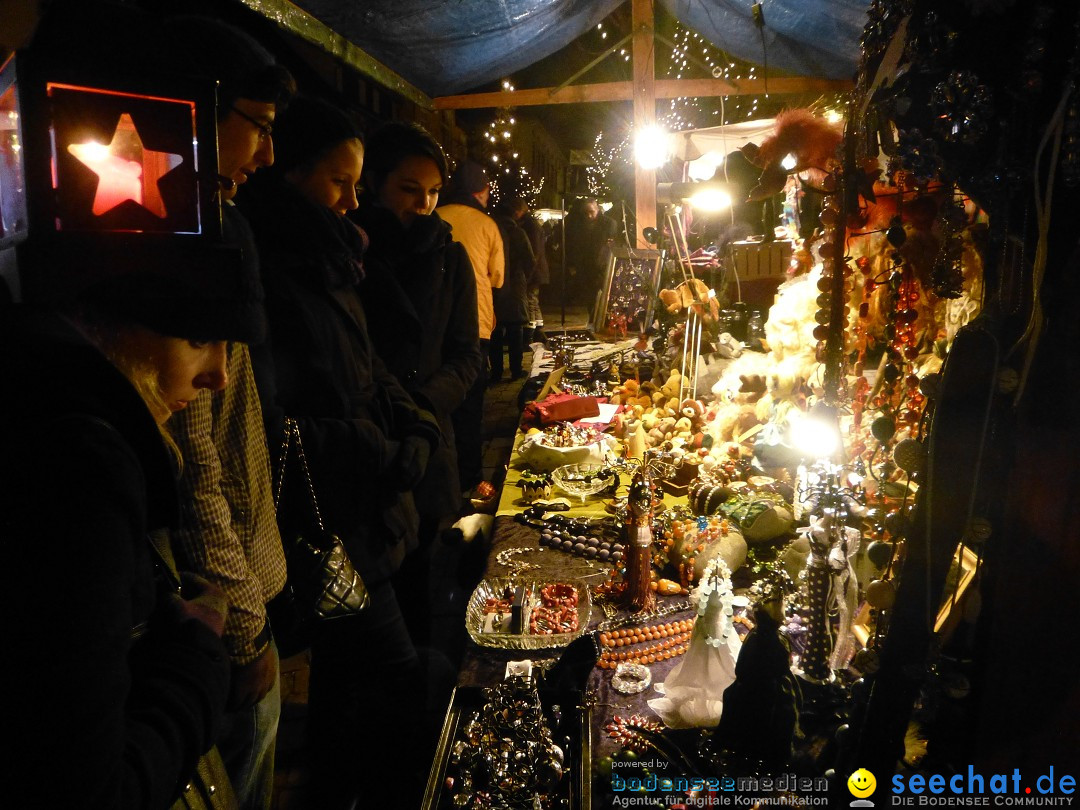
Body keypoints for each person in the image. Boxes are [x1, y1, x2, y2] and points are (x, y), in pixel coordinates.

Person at [236, 96, 445, 809]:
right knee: (395, 682)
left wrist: (414, 423)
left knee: (346, 683)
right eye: (340, 183)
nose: (353, 201)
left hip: (370, 503)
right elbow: (275, 421)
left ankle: (332, 789)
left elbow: (368, 369)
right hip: (332, 519)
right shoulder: (268, 269)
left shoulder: (332, 257)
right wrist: (380, 448)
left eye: (359, 185)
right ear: (290, 173)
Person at [1, 251, 265, 808]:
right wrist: (198, 653)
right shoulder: (78, 467)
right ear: (109, 323)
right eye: (198, 338)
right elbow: (95, 786)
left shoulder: (42, 402)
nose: (218, 375)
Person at [160, 17, 296, 810]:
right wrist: (243, 625)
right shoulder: (181, 245)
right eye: (261, 128)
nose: (267, 156)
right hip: (219, 603)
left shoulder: (221, 229)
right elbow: (195, 465)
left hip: (241, 581)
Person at [351, 121, 483, 655]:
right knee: (374, 605)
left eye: (432, 192)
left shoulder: (450, 256)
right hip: (372, 442)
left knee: (428, 581)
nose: (424, 204)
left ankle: (426, 703)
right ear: (375, 183)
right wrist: (397, 412)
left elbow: (467, 355)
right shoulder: (352, 252)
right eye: (409, 189)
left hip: (430, 441)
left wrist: (424, 409)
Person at [436, 161, 504, 494]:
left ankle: (440, 480)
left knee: (437, 402)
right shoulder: (487, 224)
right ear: (480, 191)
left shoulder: (434, 214)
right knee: (471, 405)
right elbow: (497, 277)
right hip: (476, 321)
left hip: (436, 322)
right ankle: (471, 478)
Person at [489, 197, 535, 382]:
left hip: (494, 285)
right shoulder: (518, 233)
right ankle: (516, 370)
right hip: (515, 285)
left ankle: (496, 371)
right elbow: (530, 260)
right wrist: (524, 278)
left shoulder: (491, 231)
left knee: (496, 331)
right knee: (516, 329)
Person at [564, 197, 616, 310]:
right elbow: (576, 246)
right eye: (586, 213)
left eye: (591, 212)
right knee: (590, 295)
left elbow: (610, 243)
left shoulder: (608, 223)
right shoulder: (580, 225)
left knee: (603, 294)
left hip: (603, 264)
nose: (589, 216)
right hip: (587, 265)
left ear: (597, 209)